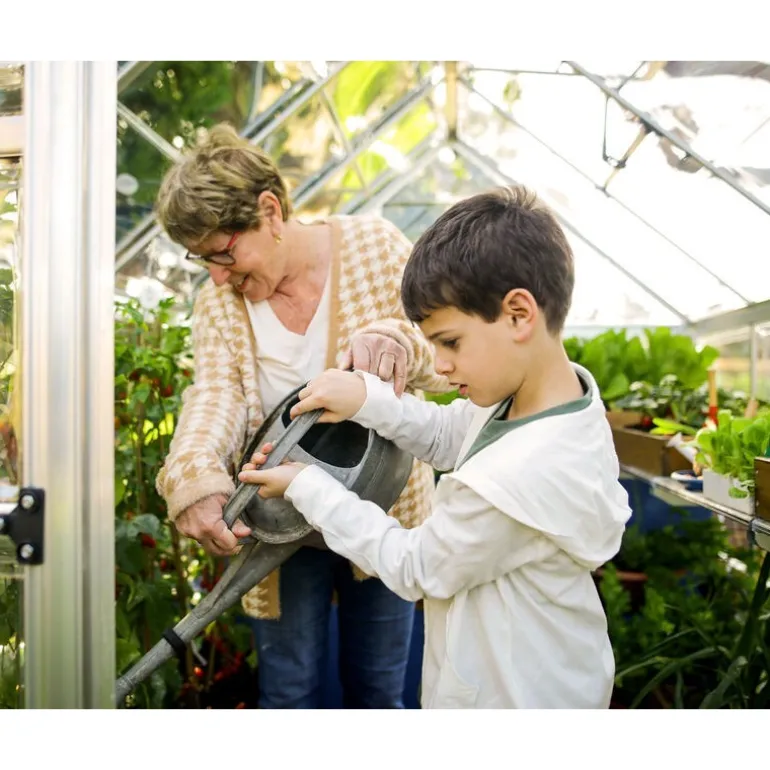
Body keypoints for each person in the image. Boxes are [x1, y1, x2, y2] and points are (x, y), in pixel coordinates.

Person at [238, 185, 633, 709]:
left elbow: (415, 565)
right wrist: (365, 400)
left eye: (450, 342)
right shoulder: (545, 403)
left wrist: (307, 486)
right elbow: (449, 435)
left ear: (519, 314)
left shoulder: (516, 478)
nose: (440, 366)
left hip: (512, 701)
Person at [153, 123, 448, 709]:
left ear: (270, 211)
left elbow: (442, 357)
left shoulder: (374, 249)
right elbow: (215, 396)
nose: (218, 276)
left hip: (384, 513)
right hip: (282, 525)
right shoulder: (219, 304)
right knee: (288, 694)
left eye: (224, 253)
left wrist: (395, 341)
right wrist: (194, 476)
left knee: (378, 691)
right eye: (203, 260)